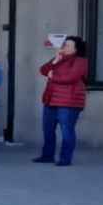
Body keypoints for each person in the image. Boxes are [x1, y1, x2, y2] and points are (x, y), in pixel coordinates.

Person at [36, 35, 89, 167]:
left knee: (67, 131)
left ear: (76, 49)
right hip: (51, 99)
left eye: (68, 45)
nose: (64, 47)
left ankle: (65, 159)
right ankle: (47, 155)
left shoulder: (80, 61)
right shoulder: (59, 59)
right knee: (48, 129)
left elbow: (70, 78)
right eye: (64, 44)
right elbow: (43, 70)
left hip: (69, 102)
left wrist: (52, 76)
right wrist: (54, 62)